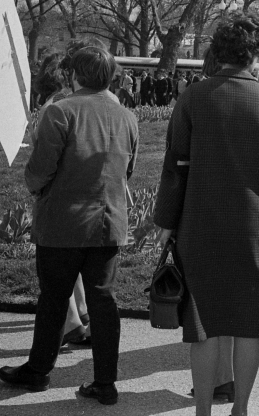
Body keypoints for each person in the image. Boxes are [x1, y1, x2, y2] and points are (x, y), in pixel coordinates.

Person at [153, 14, 259, 416]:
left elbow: (175, 164)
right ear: (253, 54)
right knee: (248, 327)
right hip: (254, 230)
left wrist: (166, 220)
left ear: (217, 51)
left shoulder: (194, 98)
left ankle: (202, 411)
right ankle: (241, 410)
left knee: (203, 326)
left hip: (201, 224)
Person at [1, 47, 139, 406]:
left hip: (64, 220)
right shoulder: (127, 116)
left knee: (53, 299)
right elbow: (127, 171)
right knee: (103, 301)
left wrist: (35, 187)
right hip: (108, 220)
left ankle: (38, 370)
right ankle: (105, 381)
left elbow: (41, 168)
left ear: (74, 75)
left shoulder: (62, 111)